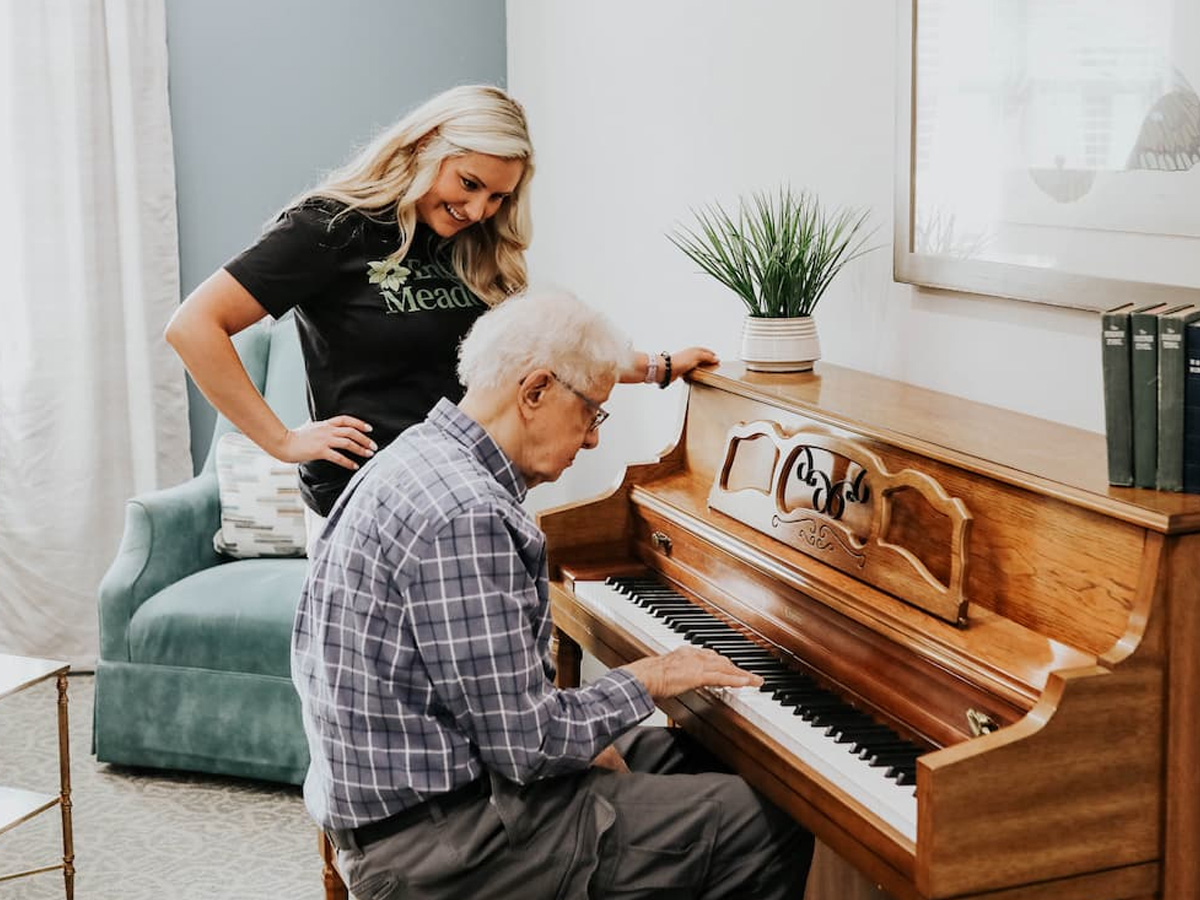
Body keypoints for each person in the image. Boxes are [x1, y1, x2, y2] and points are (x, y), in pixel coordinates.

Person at [292, 289, 813, 900]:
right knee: (765, 822)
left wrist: (594, 737)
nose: (593, 439)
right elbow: (529, 745)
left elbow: (505, 715)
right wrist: (650, 678)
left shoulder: (417, 455)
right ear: (535, 392)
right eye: (592, 412)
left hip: (430, 789)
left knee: (697, 759)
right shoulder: (466, 514)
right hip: (442, 846)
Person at [165, 83, 717, 520]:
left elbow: (540, 353)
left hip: (461, 491)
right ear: (426, 145)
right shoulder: (331, 228)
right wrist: (282, 441)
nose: (479, 210)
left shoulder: (475, 245)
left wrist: (657, 368)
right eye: (469, 183)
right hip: (366, 497)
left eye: (498, 196)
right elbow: (194, 326)